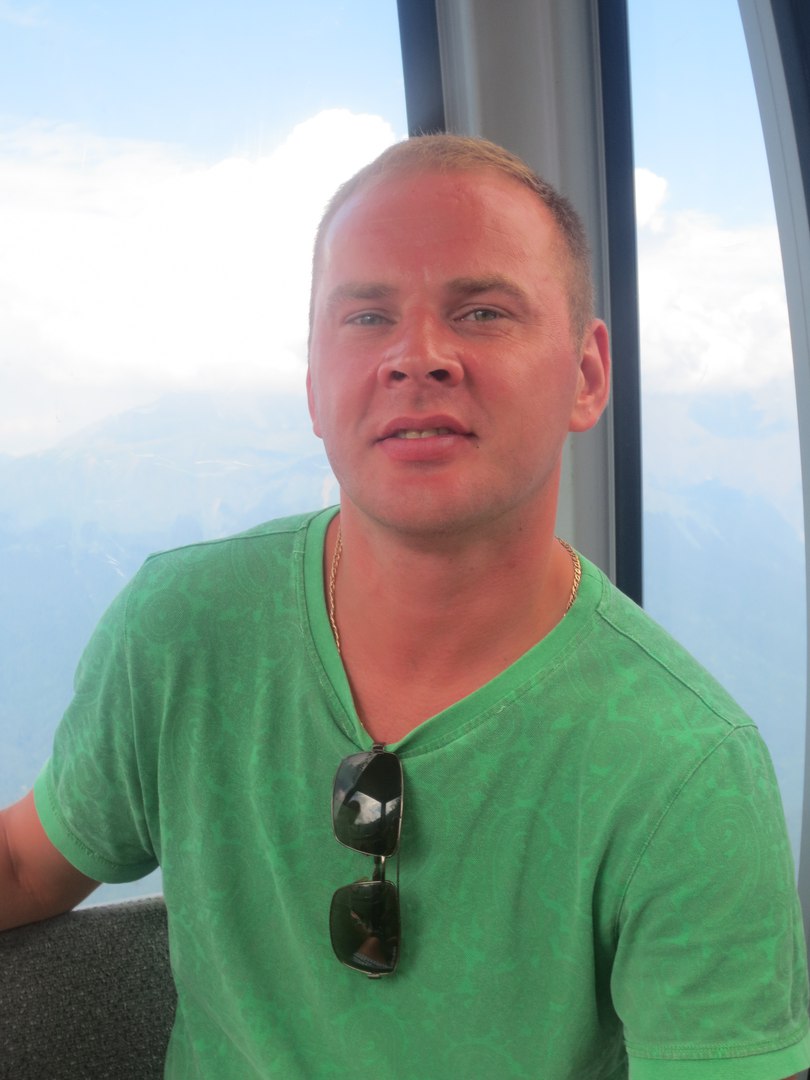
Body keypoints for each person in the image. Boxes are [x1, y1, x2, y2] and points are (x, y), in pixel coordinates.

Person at [1, 134, 808, 1080]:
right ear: (314, 383)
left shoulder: (690, 773)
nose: (417, 356)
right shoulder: (184, 630)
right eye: (367, 316)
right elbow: (26, 866)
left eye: (482, 311)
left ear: (587, 374)